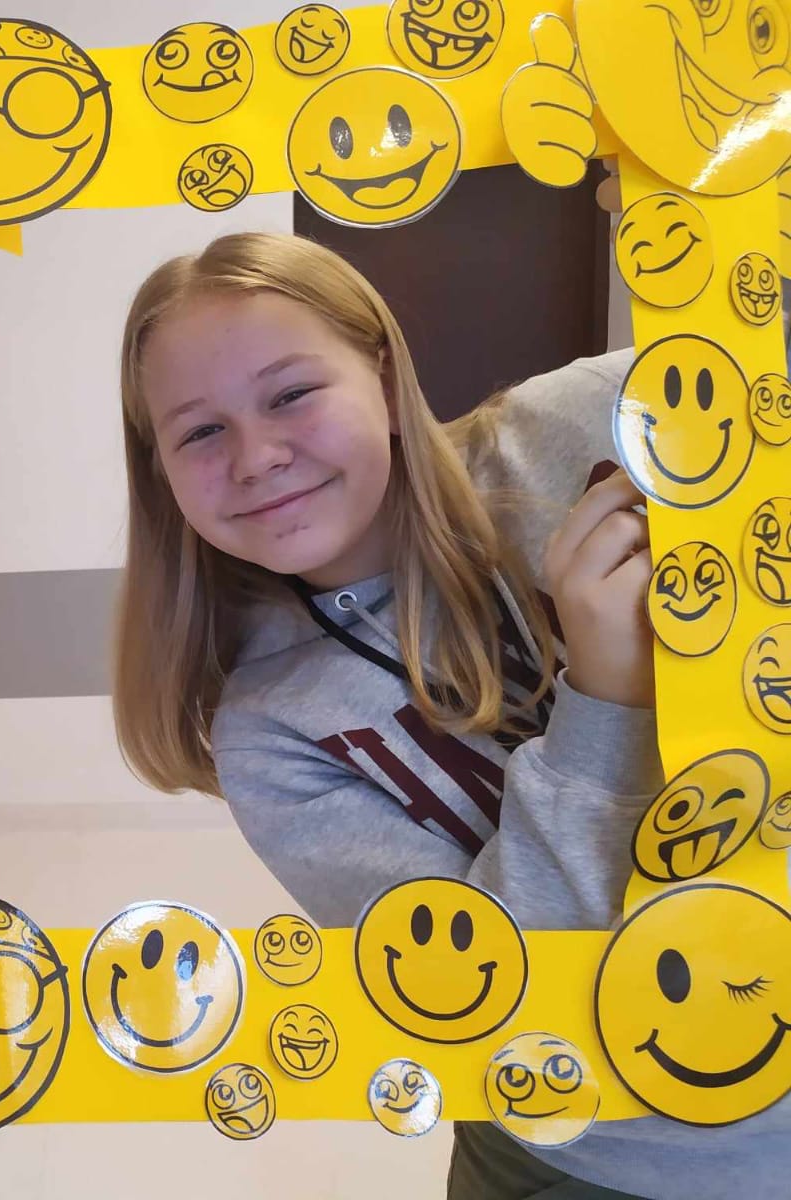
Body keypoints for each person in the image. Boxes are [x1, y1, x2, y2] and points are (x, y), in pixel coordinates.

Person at [111, 230, 789, 1198]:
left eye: (291, 394)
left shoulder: (566, 426)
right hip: (605, 1160)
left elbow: (756, 354)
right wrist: (606, 701)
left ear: (386, 382)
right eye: (199, 432)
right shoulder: (270, 734)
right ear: (161, 472)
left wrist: (721, 225)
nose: (257, 456)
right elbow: (497, 998)